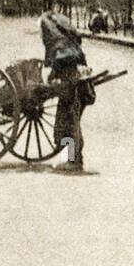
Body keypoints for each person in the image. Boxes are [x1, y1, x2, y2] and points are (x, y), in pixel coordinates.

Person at [39, 11, 94, 171]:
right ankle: (73, 159)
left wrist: (52, 77)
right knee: (70, 118)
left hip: (72, 87)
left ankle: (74, 162)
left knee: (70, 119)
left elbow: (59, 65)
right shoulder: (72, 47)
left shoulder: (62, 51)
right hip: (80, 82)